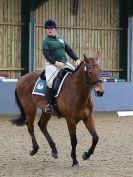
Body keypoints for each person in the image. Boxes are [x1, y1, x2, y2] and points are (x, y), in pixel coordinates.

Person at [42, 19, 81, 113]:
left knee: (77, 76)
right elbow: (47, 55)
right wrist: (55, 62)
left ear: (55, 29)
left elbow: (69, 50)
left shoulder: (61, 39)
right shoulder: (46, 41)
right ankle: (49, 104)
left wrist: (77, 59)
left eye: (51, 28)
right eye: (47, 28)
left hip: (64, 63)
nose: (49, 30)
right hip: (52, 64)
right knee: (50, 82)